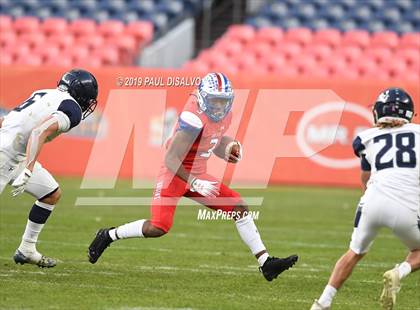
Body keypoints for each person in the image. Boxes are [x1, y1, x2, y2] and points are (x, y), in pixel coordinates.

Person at [88, 72, 298, 281]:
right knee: (159, 227)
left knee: (239, 208)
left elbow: (211, 141)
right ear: (203, 98)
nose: (218, 106)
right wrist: (195, 181)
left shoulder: (225, 114)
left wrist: (229, 147)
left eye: (222, 101)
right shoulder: (193, 118)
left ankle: (266, 263)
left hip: (197, 174)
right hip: (175, 174)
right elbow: (170, 158)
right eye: (214, 100)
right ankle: (108, 235)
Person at [311, 87, 420, 310]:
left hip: (371, 201)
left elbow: (365, 176)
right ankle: (398, 272)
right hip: (406, 205)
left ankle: (322, 303)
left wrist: (369, 198)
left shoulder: (366, 138)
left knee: (354, 252)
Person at [0, 69, 98, 268]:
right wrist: (28, 169)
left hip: (13, 151)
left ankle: (27, 249)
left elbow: (10, 121)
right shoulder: (72, 108)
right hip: (6, 155)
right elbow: (38, 131)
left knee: (50, 193)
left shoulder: (43, 93)